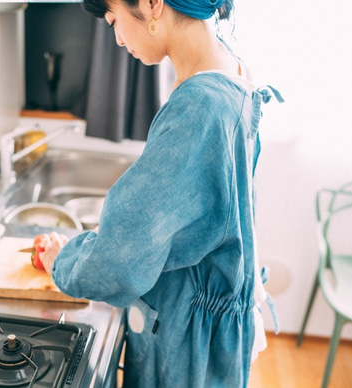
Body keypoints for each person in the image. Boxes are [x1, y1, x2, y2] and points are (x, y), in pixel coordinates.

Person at [39, 0, 282, 386]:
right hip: (212, 323)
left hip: (185, 339)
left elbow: (119, 260)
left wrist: (63, 260)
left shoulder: (199, 106)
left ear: (153, 4)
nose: (117, 38)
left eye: (114, 19)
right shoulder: (229, 68)